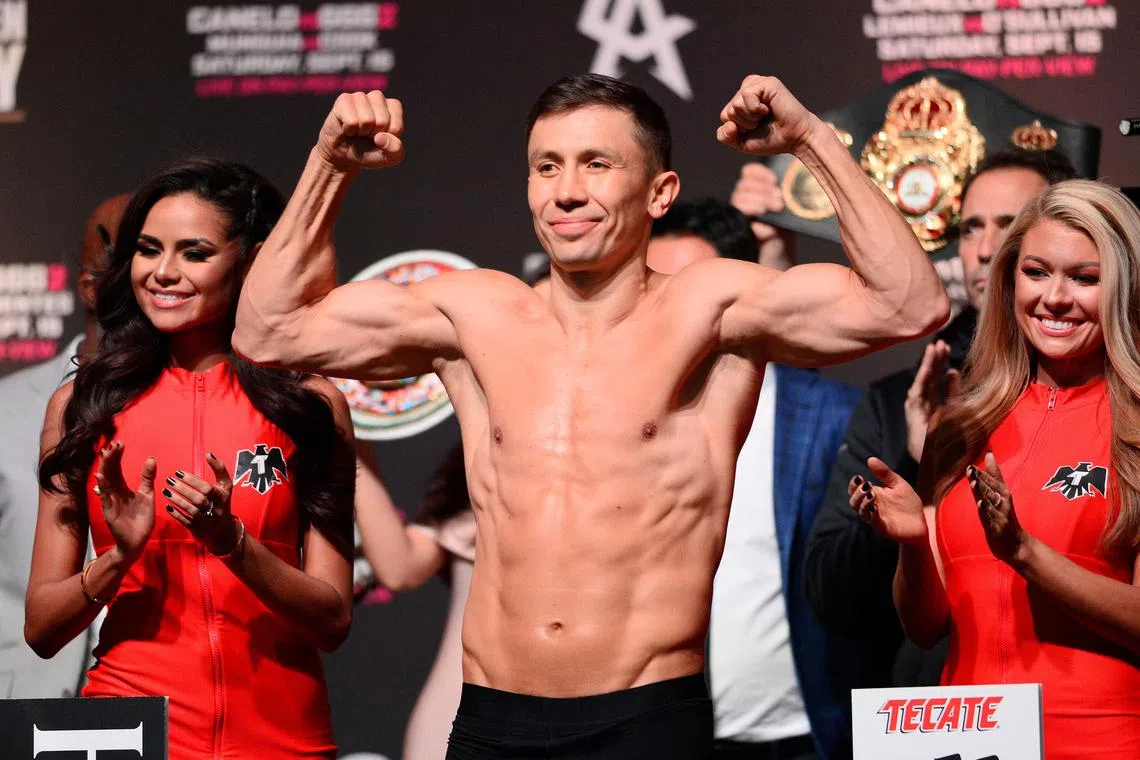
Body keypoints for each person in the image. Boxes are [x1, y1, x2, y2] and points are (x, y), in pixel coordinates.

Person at [233, 74, 948, 759]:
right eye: (547, 167)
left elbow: (907, 305)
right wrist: (329, 165)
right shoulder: (476, 313)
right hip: (489, 719)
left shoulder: (710, 309)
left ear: (659, 192)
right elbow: (269, 332)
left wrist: (811, 140)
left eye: (596, 164)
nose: (566, 191)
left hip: (642, 719)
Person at [25, 159, 355, 759]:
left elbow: (332, 620)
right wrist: (117, 560)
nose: (164, 273)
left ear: (250, 261)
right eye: (150, 250)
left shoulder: (311, 404)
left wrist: (233, 544)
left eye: (194, 253)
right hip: (131, 735)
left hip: (284, 740)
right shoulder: (83, 404)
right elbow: (42, 629)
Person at [851, 179, 1140, 759]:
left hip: (1102, 740)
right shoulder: (961, 426)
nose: (1055, 298)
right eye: (1037, 272)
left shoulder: (1134, 425)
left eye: (1085, 278)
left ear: (1124, 289)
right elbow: (925, 626)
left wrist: (1026, 553)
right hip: (964, 741)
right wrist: (912, 540)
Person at [805, 146, 1078, 687]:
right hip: (941, 710)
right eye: (971, 228)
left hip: (1083, 701)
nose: (985, 249)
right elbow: (831, 595)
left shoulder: (1115, 397)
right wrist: (913, 465)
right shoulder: (895, 401)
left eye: (1012, 225)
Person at [649, 198, 861, 760]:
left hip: (813, 736)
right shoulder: (612, 422)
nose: (666, 311)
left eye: (687, 289)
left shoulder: (833, 414)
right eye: (652, 290)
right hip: (671, 737)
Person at [354, 259, 552, 760]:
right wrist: (348, 432)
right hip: (456, 719)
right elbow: (398, 569)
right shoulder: (476, 459)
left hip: (580, 721)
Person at [0, 194, 129, 699]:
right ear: (89, 284)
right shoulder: (7, 409)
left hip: (167, 699)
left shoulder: (201, 404)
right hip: (24, 698)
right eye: (133, 254)